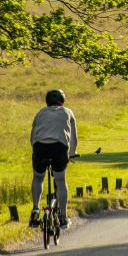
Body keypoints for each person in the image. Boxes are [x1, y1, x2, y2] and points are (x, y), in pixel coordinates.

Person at [29, 88, 78, 229]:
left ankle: (36, 208)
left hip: (40, 148)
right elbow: (74, 137)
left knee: (38, 177)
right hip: (59, 148)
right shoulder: (68, 112)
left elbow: (32, 138)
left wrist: (37, 151)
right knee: (61, 180)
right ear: (62, 101)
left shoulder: (40, 113)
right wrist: (72, 153)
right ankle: (63, 216)